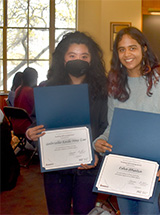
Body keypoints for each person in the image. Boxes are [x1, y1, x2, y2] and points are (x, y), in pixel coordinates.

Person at [94, 27, 160, 214]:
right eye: (121, 49)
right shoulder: (116, 85)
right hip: (124, 169)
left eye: (132, 48)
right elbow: (113, 127)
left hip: (156, 169)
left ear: (144, 48)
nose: (127, 54)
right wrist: (100, 141)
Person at [25, 31, 108, 214]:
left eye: (84, 56)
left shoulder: (103, 91)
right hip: (56, 169)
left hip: (88, 167)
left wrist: (97, 154)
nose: (78, 60)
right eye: (72, 55)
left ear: (91, 60)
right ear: (63, 59)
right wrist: (30, 133)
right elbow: (36, 123)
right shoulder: (48, 89)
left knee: (85, 212)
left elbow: (106, 126)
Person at [13, 67, 38, 134]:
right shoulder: (30, 91)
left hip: (16, 125)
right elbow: (37, 109)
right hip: (27, 126)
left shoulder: (18, 89)